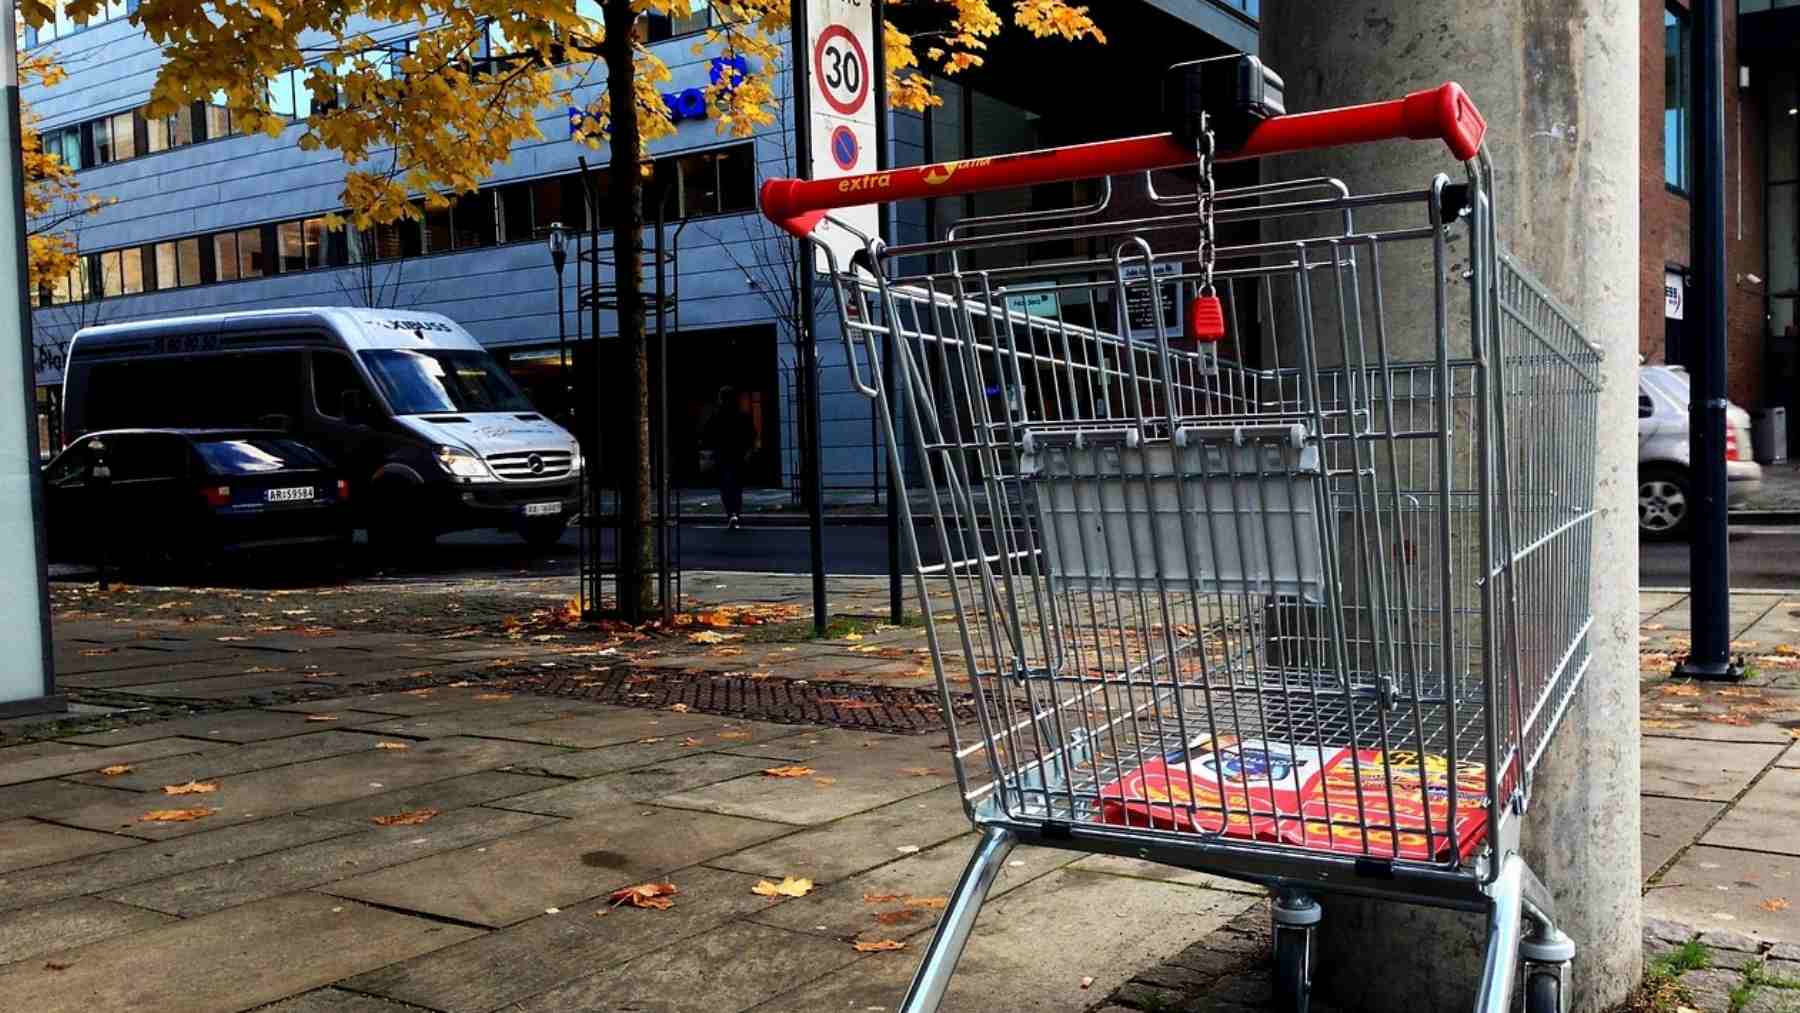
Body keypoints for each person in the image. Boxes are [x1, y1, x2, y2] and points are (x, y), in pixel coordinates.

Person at [704, 386, 755, 529]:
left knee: (726, 487)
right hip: (737, 455)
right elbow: (751, 435)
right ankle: (735, 514)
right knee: (736, 487)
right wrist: (748, 452)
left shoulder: (717, 415)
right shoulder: (742, 415)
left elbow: (707, 434)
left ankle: (731, 514)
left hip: (723, 455)